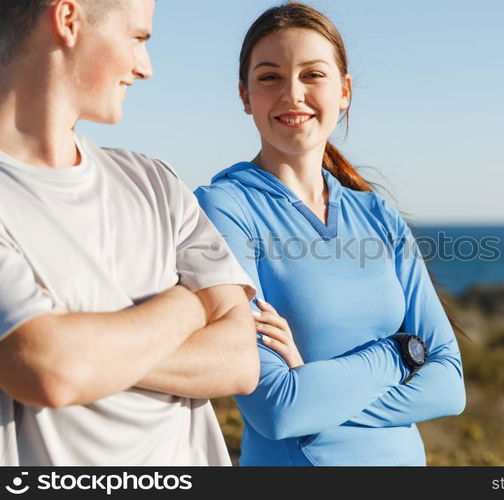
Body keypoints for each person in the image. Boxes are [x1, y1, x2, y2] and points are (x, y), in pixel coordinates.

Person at [195, 2, 466, 466]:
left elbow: (449, 386)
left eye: (312, 75)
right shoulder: (225, 206)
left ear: (344, 92)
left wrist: (315, 390)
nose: (292, 94)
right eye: (269, 77)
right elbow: (277, 409)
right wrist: (400, 353)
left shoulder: (376, 212)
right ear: (245, 95)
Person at [0, 0, 259, 465]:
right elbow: (49, 370)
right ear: (67, 20)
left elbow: (241, 360)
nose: (146, 68)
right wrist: (193, 302)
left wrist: (89, 354)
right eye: (138, 38)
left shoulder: (156, 182)